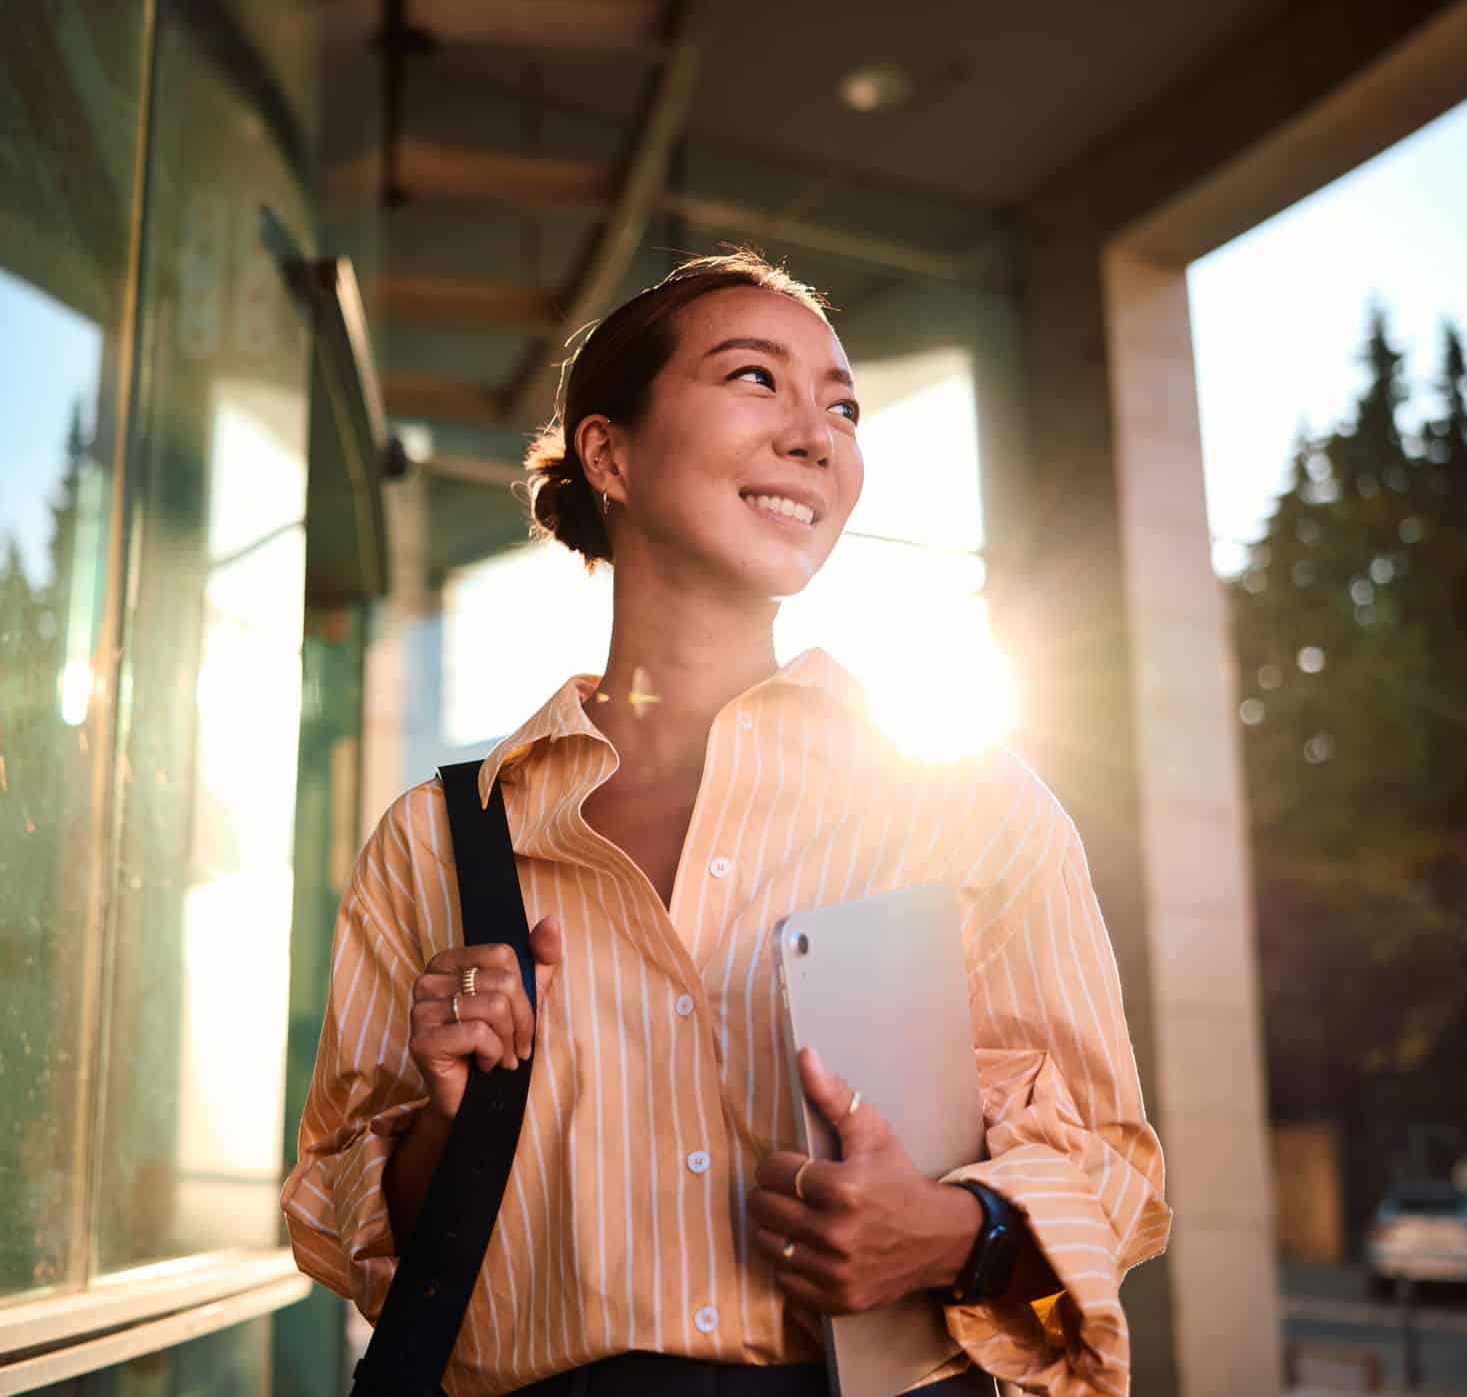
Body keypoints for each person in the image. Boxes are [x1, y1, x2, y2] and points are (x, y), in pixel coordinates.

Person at [282, 252, 1170, 1397]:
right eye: (757, 379)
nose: (817, 435)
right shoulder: (438, 841)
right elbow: (351, 1235)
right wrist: (453, 1121)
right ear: (609, 454)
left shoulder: (966, 802)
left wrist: (956, 1231)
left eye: (843, 406)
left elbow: (1111, 1169)